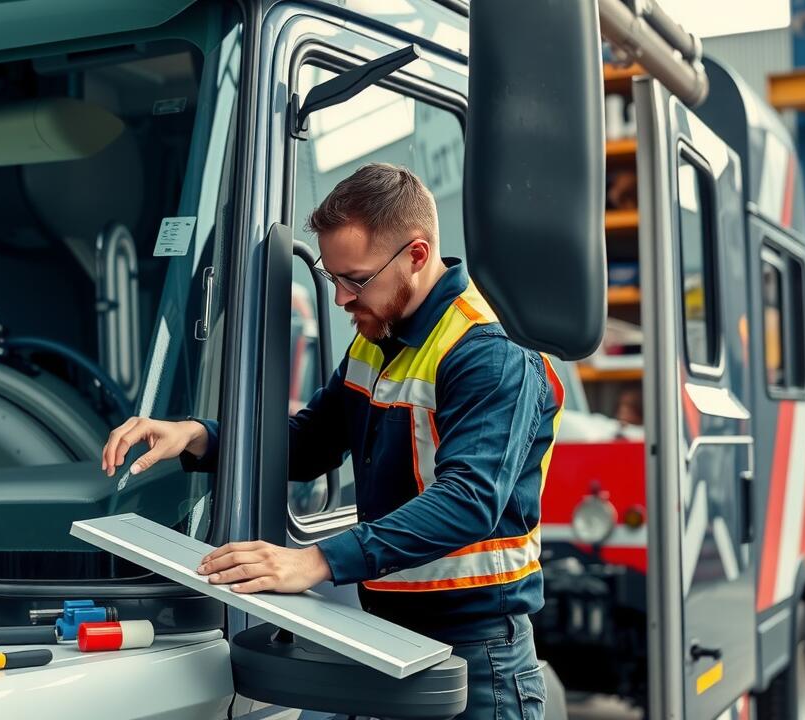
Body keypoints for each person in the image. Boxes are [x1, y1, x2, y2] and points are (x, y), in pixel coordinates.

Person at [101, 162, 564, 719]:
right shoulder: (379, 338)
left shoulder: (488, 354)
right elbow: (312, 444)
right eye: (333, 277)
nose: (342, 298)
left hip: (474, 657)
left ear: (416, 256)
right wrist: (198, 436)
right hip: (384, 636)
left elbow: (469, 502)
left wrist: (316, 560)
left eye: (357, 279)